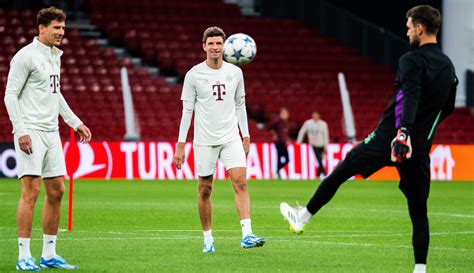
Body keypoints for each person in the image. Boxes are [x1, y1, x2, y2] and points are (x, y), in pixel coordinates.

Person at [280, 5, 457, 273]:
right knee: (419, 211)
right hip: (418, 147)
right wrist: (421, 132)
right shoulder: (448, 67)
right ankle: (420, 269)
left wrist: (404, 132)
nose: (407, 30)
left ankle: (302, 217)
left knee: (342, 170)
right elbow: (449, 107)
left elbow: (411, 95)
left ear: (420, 28)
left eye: (409, 26)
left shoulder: (410, 60)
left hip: (390, 138)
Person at [4, 6, 91, 271]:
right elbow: (10, 95)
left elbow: (56, 93)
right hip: (31, 130)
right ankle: (23, 256)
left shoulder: (55, 56)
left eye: (63, 28)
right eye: (56, 28)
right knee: (30, 193)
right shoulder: (25, 57)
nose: (61, 32)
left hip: (51, 132)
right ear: (41, 28)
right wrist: (20, 130)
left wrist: (75, 122)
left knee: (57, 191)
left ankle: (49, 254)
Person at [173, 26, 265, 253]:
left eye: (218, 43)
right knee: (205, 189)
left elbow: (240, 104)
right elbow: (187, 111)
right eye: (211, 44)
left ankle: (247, 234)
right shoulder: (194, 75)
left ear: (224, 46)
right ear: (204, 46)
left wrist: (245, 135)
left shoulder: (235, 73)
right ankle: (208, 239)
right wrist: (180, 144)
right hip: (204, 140)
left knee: (240, 182)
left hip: (231, 137)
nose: (215, 47)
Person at [296, 111, 329, 179]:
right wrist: (299, 141)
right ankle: (324, 174)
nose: (315, 116)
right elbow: (302, 131)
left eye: (316, 115)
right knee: (319, 159)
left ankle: (318, 175)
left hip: (322, 144)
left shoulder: (323, 124)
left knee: (320, 160)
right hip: (314, 144)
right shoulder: (308, 123)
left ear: (319, 116)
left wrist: (326, 147)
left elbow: (326, 135)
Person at [267, 107, 290, 178]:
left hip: (283, 142)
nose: (285, 115)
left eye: (286, 113)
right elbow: (268, 126)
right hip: (279, 142)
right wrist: (274, 134)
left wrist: (287, 139)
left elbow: (284, 133)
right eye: (283, 113)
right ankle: (277, 172)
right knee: (286, 159)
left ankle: (277, 172)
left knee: (281, 158)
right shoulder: (278, 121)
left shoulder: (284, 122)